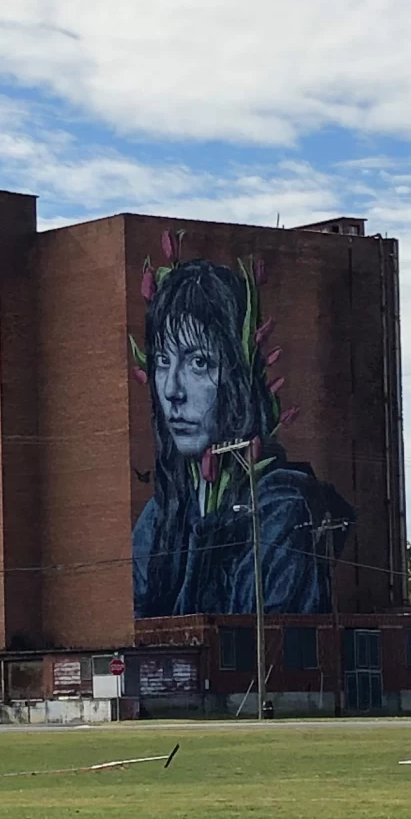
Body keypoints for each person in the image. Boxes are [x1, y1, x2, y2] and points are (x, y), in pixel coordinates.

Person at [131, 255, 352, 618]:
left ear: (237, 376)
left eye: (198, 362)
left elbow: (259, 643)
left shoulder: (277, 506)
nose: (172, 390)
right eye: (162, 362)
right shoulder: (160, 514)